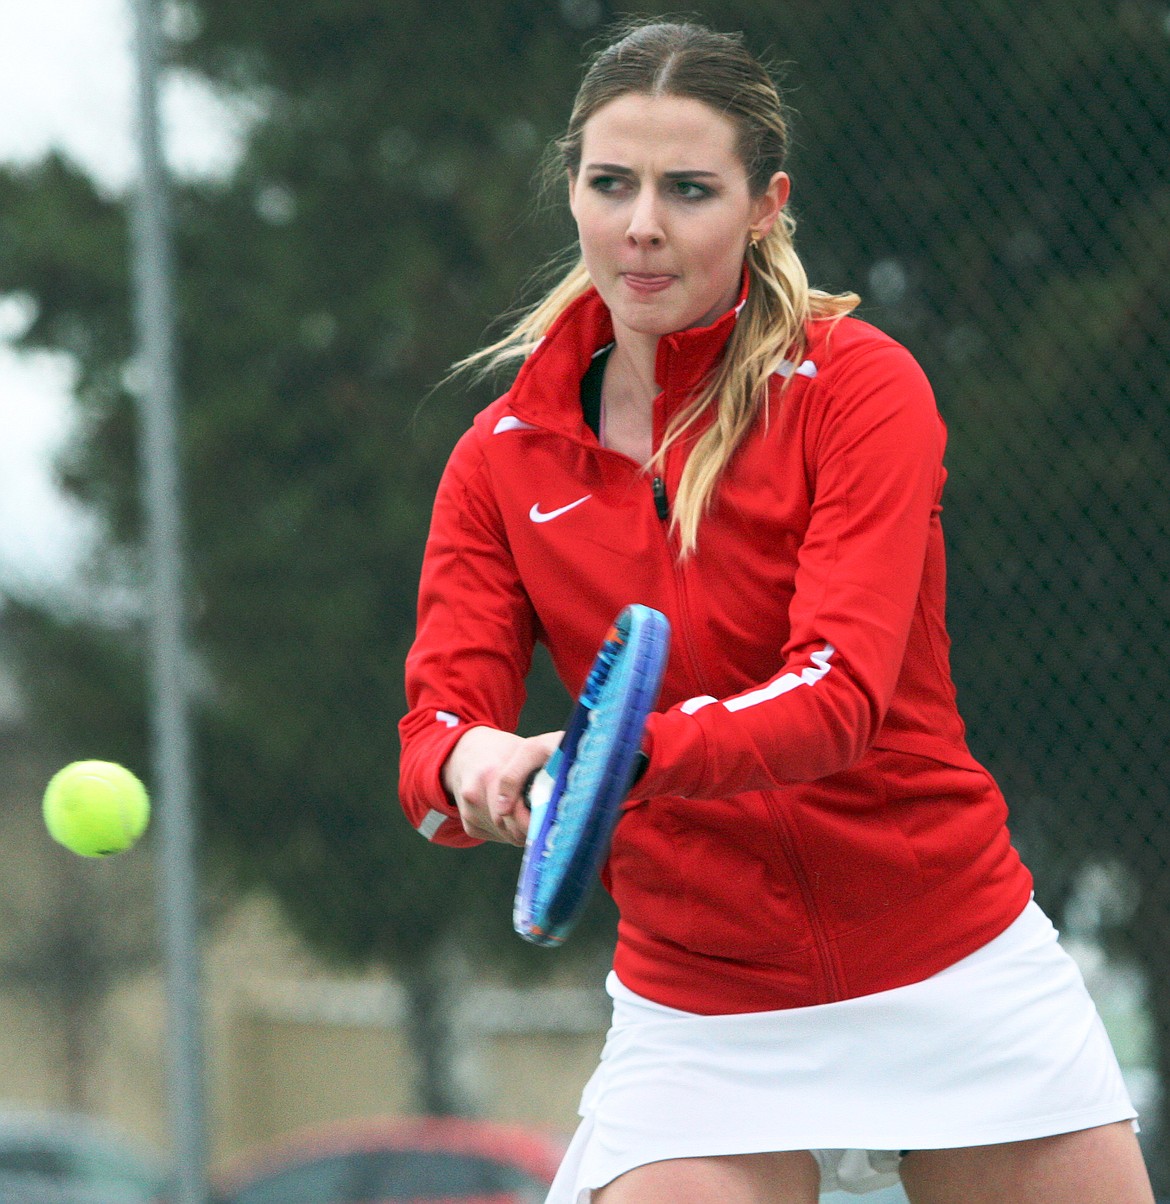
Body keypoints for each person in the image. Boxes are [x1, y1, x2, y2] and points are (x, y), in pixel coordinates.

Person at [398, 19, 1154, 1204]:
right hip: (702, 1008)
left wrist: (623, 758)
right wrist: (478, 768)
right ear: (575, 191)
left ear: (765, 204)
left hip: (948, 955)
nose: (642, 224)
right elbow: (438, 724)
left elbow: (839, 698)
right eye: (612, 184)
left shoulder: (860, 390)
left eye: (688, 189)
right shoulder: (498, 462)